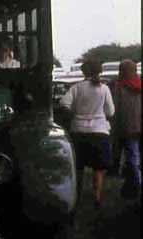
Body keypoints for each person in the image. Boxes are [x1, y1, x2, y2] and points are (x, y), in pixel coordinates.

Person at [59, 59, 115, 209]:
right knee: (98, 168)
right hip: (99, 131)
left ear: (83, 72)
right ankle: (97, 197)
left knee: (79, 167)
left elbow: (64, 103)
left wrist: (74, 113)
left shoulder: (76, 88)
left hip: (78, 131)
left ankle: (77, 196)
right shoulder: (104, 89)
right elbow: (110, 112)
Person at [111, 59, 141, 199]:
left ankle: (135, 185)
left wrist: (113, 128)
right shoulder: (140, 84)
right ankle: (132, 184)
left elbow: (114, 110)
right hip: (138, 127)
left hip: (124, 127)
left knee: (130, 158)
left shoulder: (118, 86)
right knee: (134, 156)